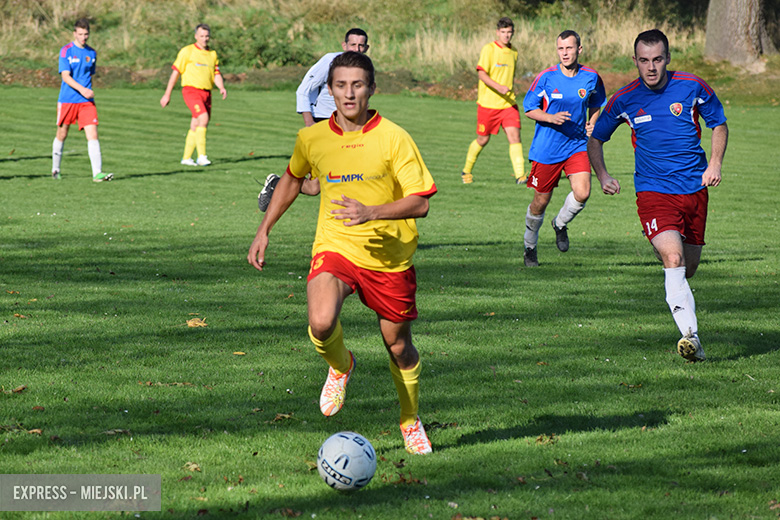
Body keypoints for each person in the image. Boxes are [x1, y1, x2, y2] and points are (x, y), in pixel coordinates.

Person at [248, 52, 437, 454]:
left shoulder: (394, 137)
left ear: (371, 89)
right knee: (320, 321)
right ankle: (341, 365)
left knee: (399, 347)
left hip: (390, 258)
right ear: (328, 90)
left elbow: (420, 202)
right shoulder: (312, 139)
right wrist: (264, 230)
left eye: (357, 85)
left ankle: (409, 420)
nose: (349, 94)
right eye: (340, 85)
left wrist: (371, 212)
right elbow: (292, 179)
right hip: (335, 247)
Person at [587, 29, 728, 362]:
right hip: (653, 191)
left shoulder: (692, 86)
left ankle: (667, 256)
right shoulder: (625, 98)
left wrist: (715, 163)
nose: (651, 67)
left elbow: (718, 123)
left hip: (695, 189)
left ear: (668, 58)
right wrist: (603, 175)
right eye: (644, 60)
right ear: (635, 60)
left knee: (688, 267)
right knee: (673, 259)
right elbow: (596, 139)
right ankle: (691, 337)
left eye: (657, 59)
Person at [257, 28, 369, 211]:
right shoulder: (330, 62)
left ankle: (277, 183)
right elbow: (303, 90)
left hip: (346, 129)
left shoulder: (365, 67)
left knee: (318, 186)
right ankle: (277, 184)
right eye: (353, 45)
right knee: (315, 187)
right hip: (322, 123)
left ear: (366, 48)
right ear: (344, 45)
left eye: (361, 46)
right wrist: (310, 126)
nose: (356, 49)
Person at [521, 30, 606, 267]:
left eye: (569, 48)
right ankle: (530, 247)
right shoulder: (546, 77)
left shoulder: (591, 77)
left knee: (583, 192)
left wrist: (592, 123)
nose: (565, 53)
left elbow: (596, 103)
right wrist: (550, 117)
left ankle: (559, 224)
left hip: (577, 145)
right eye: (561, 48)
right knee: (540, 202)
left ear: (579, 49)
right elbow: (529, 108)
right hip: (547, 149)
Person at [459, 17, 525, 185]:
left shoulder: (514, 52)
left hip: (508, 104)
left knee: (514, 136)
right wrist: (499, 87)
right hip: (488, 104)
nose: (506, 36)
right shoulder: (488, 49)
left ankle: (521, 176)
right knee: (483, 139)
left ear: (513, 33)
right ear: (497, 32)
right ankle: (466, 171)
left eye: (509, 32)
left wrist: (507, 89)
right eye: (503, 32)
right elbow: (482, 74)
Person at [52, 18, 113, 182]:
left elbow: (88, 74)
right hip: (67, 99)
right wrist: (82, 90)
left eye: (86, 34)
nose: (83, 37)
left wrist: (86, 92)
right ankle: (56, 168)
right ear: (74, 33)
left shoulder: (91, 53)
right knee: (62, 134)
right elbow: (65, 76)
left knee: (92, 134)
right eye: (80, 34)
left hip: (86, 102)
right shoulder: (66, 51)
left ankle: (97, 174)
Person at [160, 23, 227, 167]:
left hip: (206, 92)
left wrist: (221, 87)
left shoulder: (212, 54)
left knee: (196, 124)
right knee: (203, 118)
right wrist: (167, 94)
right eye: (201, 36)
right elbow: (175, 73)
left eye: (207, 36)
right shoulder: (187, 51)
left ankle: (186, 158)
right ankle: (202, 156)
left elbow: (216, 73)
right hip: (191, 91)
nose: (204, 39)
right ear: (196, 36)